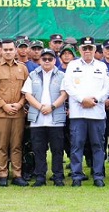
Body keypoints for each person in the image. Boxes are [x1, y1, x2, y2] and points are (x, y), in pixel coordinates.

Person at [61, 36, 109, 187]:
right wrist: (82, 99)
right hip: (78, 113)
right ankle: (76, 176)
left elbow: (108, 87)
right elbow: (68, 87)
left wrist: (95, 99)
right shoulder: (72, 65)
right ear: (80, 49)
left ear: (95, 50)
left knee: (98, 146)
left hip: (96, 113)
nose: (87, 51)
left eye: (90, 48)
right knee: (77, 145)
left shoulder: (101, 66)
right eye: (85, 48)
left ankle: (98, 176)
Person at [0, 39, 29, 187]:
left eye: (11, 49)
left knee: (16, 145)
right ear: (1, 51)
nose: (8, 52)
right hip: (1, 112)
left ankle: (17, 174)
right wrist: (3, 105)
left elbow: (27, 90)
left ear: (15, 50)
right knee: (2, 145)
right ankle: (2, 174)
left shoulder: (22, 68)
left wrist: (20, 104)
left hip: (18, 112)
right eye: (6, 50)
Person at [22, 48, 67, 187]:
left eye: (50, 59)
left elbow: (64, 94)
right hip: (38, 120)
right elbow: (27, 95)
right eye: (44, 59)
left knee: (57, 150)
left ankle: (58, 176)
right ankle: (40, 176)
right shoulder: (32, 75)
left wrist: (52, 107)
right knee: (38, 150)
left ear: (55, 60)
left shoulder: (62, 75)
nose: (47, 61)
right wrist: (41, 107)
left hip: (56, 120)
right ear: (40, 60)